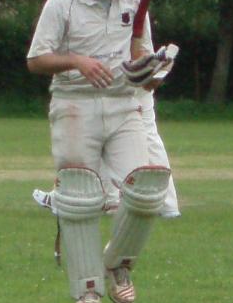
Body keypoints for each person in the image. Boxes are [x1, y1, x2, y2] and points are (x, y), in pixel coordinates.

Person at [27, 0, 171, 303]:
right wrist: (77, 61)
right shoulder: (62, 3)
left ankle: (117, 264)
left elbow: (143, 53)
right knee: (80, 197)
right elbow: (36, 60)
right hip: (75, 104)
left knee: (146, 190)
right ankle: (87, 288)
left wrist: (149, 73)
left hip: (124, 103)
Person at [32, 86, 181, 219]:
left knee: (102, 122)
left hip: (122, 76)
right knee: (143, 129)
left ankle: (88, 197)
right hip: (133, 74)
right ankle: (165, 204)